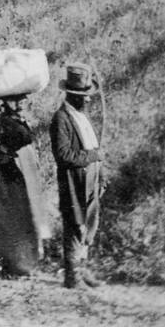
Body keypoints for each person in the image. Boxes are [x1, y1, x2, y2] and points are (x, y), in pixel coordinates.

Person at [0, 93, 50, 278]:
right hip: (4, 176)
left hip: (22, 174)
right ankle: (11, 267)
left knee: (24, 216)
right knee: (8, 220)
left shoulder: (19, 119)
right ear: (7, 101)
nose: (22, 103)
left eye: (22, 99)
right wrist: (2, 156)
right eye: (18, 100)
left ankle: (26, 264)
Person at [49, 63, 103, 289]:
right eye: (83, 95)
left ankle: (82, 268)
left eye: (88, 95)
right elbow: (63, 155)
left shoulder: (82, 116)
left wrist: (102, 175)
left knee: (90, 223)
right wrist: (92, 156)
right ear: (71, 95)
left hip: (91, 178)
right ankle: (72, 276)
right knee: (75, 224)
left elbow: (96, 151)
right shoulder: (61, 119)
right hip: (73, 181)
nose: (87, 99)